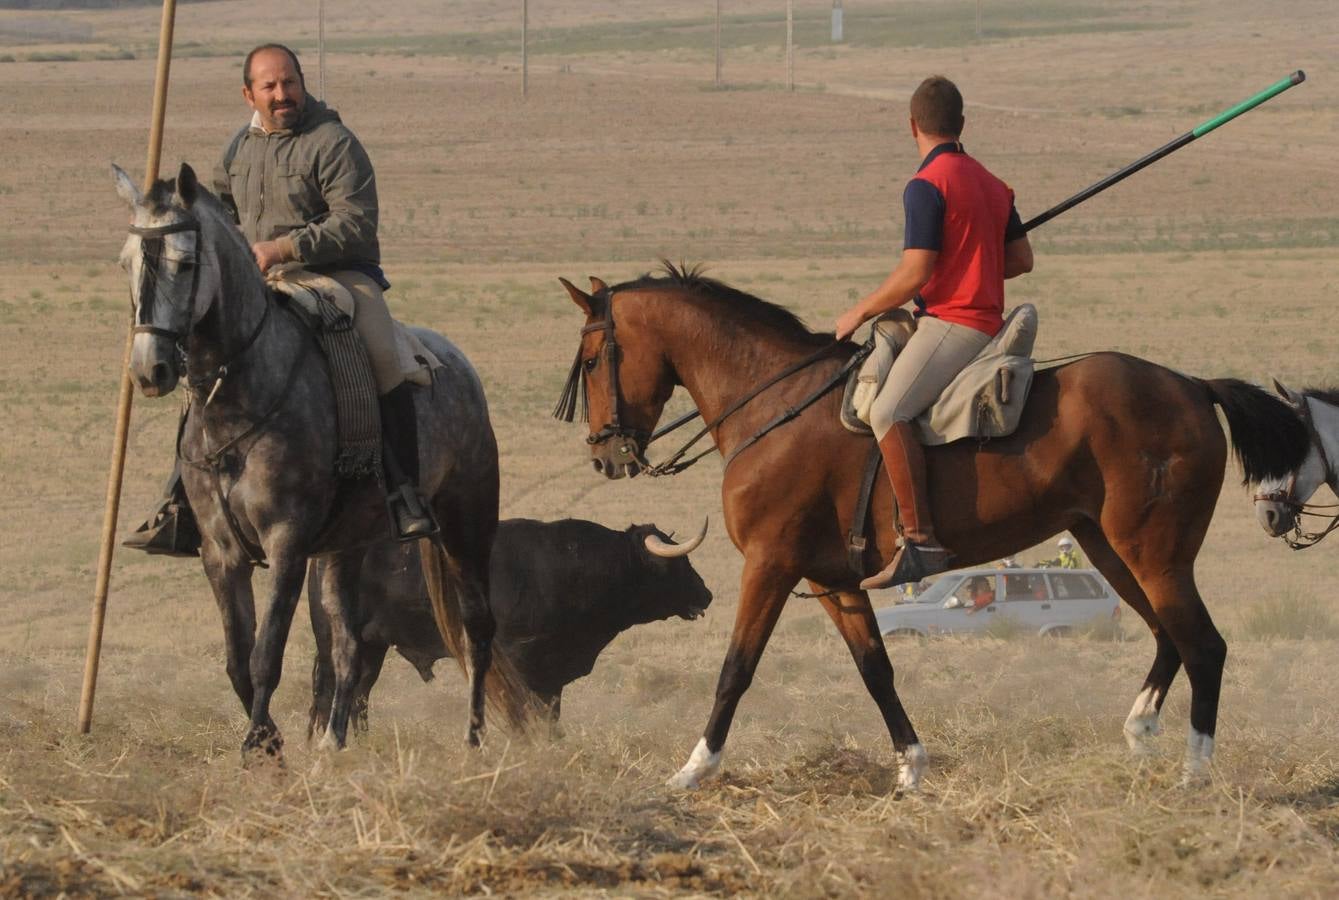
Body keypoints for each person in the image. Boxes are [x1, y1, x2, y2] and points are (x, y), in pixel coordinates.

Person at [125, 43, 433, 552]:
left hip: (337, 275)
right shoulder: (239, 148)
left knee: (383, 356)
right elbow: (218, 213)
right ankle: (180, 500)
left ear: (302, 82)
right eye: (269, 86)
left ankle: (405, 492)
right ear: (249, 93)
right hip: (260, 281)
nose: (281, 93)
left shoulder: (333, 142)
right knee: (202, 360)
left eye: (288, 82)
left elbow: (355, 221)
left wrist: (285, 246)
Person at [835, 75, 1033, 590]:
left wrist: (858, 311)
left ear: (912, 127)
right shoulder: (992, 183)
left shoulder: (926, 185)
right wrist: (974, 259)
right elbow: (1020, 260)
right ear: (962, 124)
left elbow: (915, 273)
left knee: (887, 409)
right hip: (983, 318)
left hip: (956, 323)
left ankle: (919, 541)